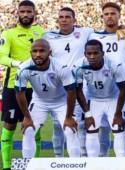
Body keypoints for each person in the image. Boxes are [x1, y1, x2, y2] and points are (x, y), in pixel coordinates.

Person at [15, 39, 81, 158]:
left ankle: (76, 164)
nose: (38, 54)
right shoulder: (24, 68)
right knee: (28, 130)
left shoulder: (61, 67)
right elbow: (19, 93)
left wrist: (69, 117)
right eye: (34, 51)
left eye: (42, 51)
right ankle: (27, 164)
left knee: (71, 130)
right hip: (40, 102)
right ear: (30, 53)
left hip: (61, 102)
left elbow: (71, 92)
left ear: (49, 52)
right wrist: (27, 117)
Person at [43, 7, 94, 157]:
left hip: (78, 86)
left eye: (67, 17)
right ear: (58, 20)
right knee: (57, 125)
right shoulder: (48, 36)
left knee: (78, 124)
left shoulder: (86, 33)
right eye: (61, 17)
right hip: (57, 87)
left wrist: (123, 28)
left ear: (74, 20)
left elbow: (106, 33)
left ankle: (82, 160)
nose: (64, 19)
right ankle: (59, 159)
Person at [88, 2, 125, 156]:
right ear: (102, 17)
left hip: (122, 88)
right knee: (101, 128)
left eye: (113, 13)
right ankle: (102, 160)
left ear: (119, 16)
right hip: (99, 89)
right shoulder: (94, 36)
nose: (110, 16)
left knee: (124, 126)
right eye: (106, 14)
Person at [0, 1, 44, 169]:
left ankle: (35, 165)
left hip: (36, 88)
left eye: (28, 11)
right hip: (13, 87)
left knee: (35, 127)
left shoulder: (41, 32)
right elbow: (2, 56)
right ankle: (6, 166)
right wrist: (20, 64)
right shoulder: (8, 33)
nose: (25, 14)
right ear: (17, 13)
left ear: (34, 13)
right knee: (9, 125)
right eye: (22, 11)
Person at [74, 39, 125, 157]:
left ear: (102, 53)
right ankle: (94, 164)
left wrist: (118, 113)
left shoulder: (114, 65)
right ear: (85, 54)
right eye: (89, 54)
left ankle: (123, 164)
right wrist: (87, 114)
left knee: (118, 130)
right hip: (93, 100)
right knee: (91, 130)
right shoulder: (78, 66)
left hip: (113, 99)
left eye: (96, 53)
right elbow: (78, 90)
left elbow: (123, 89)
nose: (92, 56)